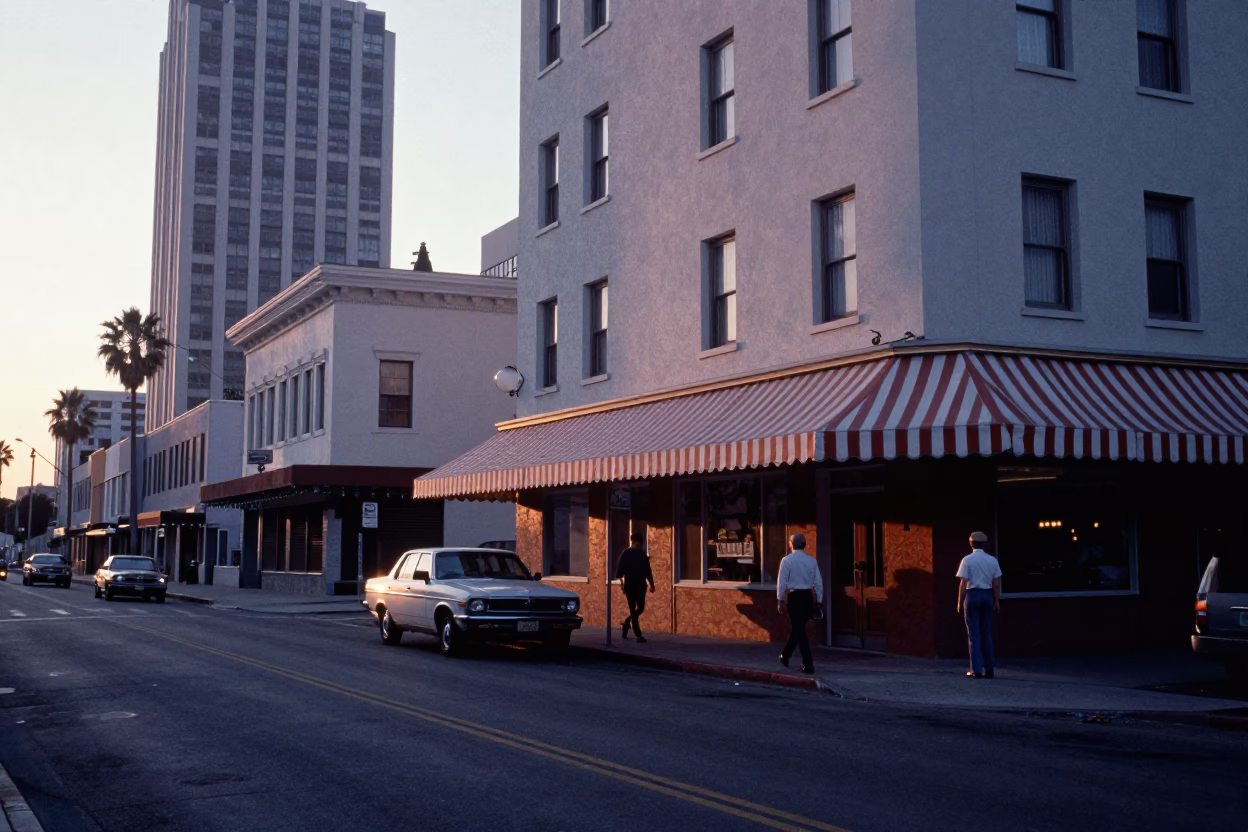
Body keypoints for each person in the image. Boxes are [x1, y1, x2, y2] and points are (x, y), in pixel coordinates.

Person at [956, 531, 1002, 679]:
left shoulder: (967, 560)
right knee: (987, 633)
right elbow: (996, 583)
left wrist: (959, 601)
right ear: (985, 544)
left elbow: (963, 583)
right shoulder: (992, 560)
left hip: (972, 595)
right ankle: (989, 669)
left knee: (974, 634)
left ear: (971, 543)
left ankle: (976, 669)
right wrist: (996, 600)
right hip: (987, 595)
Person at [777, 533, 823, 674]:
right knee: (799, 628)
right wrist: (819, 600)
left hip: (794, 597)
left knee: (799, 630)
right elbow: (818, 583)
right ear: (804, 545)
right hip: (807, 597)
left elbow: (782, 582)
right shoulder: (812, 561)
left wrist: (780, 600)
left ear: (791, 544)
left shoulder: (786, 561)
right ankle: (785, 655)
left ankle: (808, 664)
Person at [616, 532, 655, 643]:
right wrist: (623, 584)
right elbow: (620, 572)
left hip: (637, 585)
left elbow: (648, 571)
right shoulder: (630, 553)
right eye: (640, 542)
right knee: (634, 609)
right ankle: (638, 635)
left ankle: (626, 623)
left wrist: (652, 585)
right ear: (636, 541)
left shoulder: (639, 554)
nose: (640, 544)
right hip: (634, 584)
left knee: (640, 609)